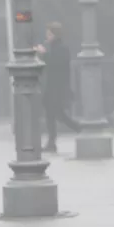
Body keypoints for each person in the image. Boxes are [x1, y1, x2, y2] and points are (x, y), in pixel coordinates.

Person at [35, 22, 80, 153]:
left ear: (55, 35)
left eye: (49, 34)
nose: (47, 36)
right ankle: (52, 142)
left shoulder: (62, 48)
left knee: (57, 114)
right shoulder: (54, 47)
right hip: (52, 86)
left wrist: (43, 54)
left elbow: (55, 64)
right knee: (53, 114)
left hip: (58, 87)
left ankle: (79, 129)